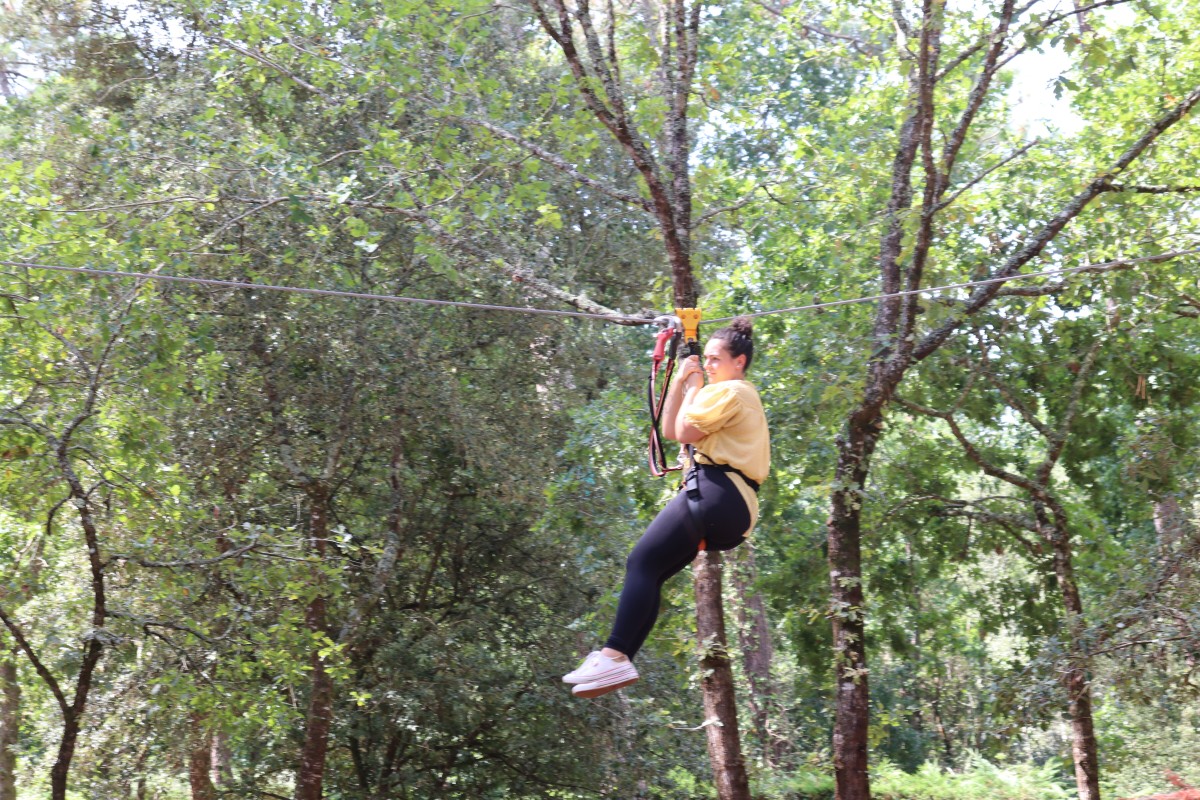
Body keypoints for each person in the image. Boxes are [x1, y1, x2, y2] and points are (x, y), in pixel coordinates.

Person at [562, 316, 770, 698]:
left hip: (719, 491)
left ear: (739, 361)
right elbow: (673, 430)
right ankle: (619, 657)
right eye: (704, 358)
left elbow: (687, 430)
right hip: (728, 503)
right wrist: (681, 380)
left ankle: (614, 654)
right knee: (650, 569)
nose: (708, 365)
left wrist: (693, 387)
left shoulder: (735, 391)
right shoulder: (720, 394)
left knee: (641, 561)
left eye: (714, 359)